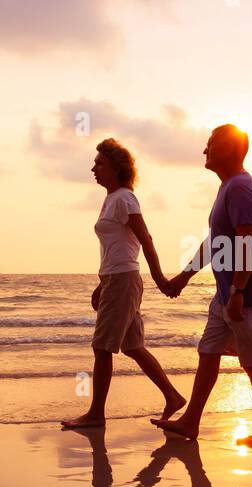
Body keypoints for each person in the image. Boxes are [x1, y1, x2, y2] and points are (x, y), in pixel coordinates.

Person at [153, 124, 252, 448]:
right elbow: (215, 242)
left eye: (210, 144)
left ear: (227, 149)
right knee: (208, 350)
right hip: (226, 293)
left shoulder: (241, 188)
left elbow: (248, 241)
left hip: (245, 293)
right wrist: (185, 276)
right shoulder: (229, 187)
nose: (204, 151)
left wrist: (239, 292)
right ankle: (190, 421)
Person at [61, 139, 185, 429]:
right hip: (116, 280)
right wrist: (102, 283)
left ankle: (95, 415)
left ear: (117, 168)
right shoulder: (112, 198)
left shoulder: (124, 199)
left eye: (99, 163)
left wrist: (161, 280)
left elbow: (146, 240)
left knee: (102, 348)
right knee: (132, 346)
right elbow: (116, 247)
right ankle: (173, 395)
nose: (93, 168)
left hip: (124, 281)